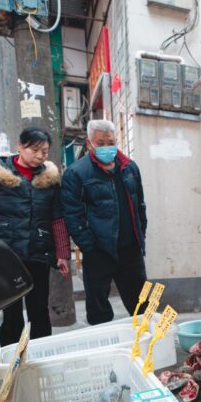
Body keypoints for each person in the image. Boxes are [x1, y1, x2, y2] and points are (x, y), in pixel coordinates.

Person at [0, 127, 71, 347]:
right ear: (19, 146)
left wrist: (62, 254)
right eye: (36, 150)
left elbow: (57, 218)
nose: (41, 156)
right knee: (11, 312)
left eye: (45, 151)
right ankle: (12, 359)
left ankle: (42, 353)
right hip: (6, 254)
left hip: (38, 252)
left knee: (38, 309)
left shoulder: (49, 179)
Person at [62, 119, 148, 324]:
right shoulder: (76, 173)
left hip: (130, 249)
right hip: (99, 251)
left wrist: (140, 235)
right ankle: (105, 349)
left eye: (111, 142)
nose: (106, 147)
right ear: (90, 143)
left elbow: (140, 206)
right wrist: (89, 245)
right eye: (100, 143)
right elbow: (72, 214)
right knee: (98, 308)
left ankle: (148, 345)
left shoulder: (129, 168)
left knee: (143, 304)